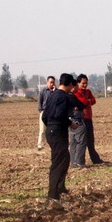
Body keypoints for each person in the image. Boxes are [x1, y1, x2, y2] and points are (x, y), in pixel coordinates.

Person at [43, 73, 79, 201]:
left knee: (64, 159)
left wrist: (51, 126)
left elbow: (44, 116)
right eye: (72, 85)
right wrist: (71, 124)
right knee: (58, 163)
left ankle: (60, 187)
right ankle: (52, 194)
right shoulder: (63, 97)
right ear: (69, 84)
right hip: (58, 132)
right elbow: (60, 115)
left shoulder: (52, 95)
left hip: (51, 131)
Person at [74, 74, 104, 164]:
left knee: (91, 141)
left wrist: (88, 101)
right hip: (81, 119)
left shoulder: (88, 91)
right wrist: (88, 101)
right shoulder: (76, 92)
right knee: (81, 141)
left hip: (89, 119)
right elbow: (84, 101)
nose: (85, 85)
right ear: (78, 83)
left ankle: (95, 159)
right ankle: (79, 161)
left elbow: (93, 100)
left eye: (86, 83)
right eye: (83, 83)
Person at [68, 78, 88, 168]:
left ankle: (73, 162)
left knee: (73, 143)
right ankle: (79, 162)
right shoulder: (71, 96)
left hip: (70, 121)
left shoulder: (65, 95)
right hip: (77, 121)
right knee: (81, 142)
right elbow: (82, 105)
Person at [37, 76, 56, 151]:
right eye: (51, 82)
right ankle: (40, 145)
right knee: (42, 130)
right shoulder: (43, 91)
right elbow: (40, 101)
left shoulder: (56, 92)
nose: (52, 84)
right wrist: (41, 110)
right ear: (47, 82)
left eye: (53, 82)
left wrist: (54, 91)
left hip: (53, 113)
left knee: (52, 130)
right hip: (44, 112)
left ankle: (52, 145)